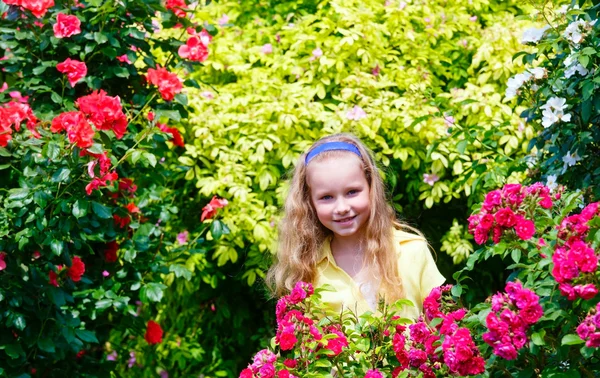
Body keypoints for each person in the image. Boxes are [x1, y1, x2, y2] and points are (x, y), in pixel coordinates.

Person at [266, 133, 445, 319]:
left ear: (371, 188)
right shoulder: (307, 268)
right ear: (309, 202)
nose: (342, 208)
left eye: (352, 192)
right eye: (326, 197)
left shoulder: (412, 250)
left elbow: (441, 325)